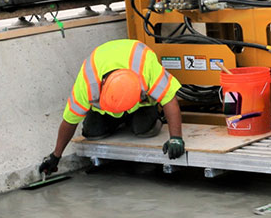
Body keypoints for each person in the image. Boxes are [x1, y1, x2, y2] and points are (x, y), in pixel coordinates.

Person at [38, 39, 184, 175]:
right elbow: (70, 120)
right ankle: (118, 121)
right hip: (106, 112)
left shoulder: (145, 66)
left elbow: (169, 99)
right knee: (92, 133)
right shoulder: (87, 82)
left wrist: (175, 138)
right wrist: (56, 156)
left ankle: (146, 118)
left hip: (140, 107)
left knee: (145, 130)